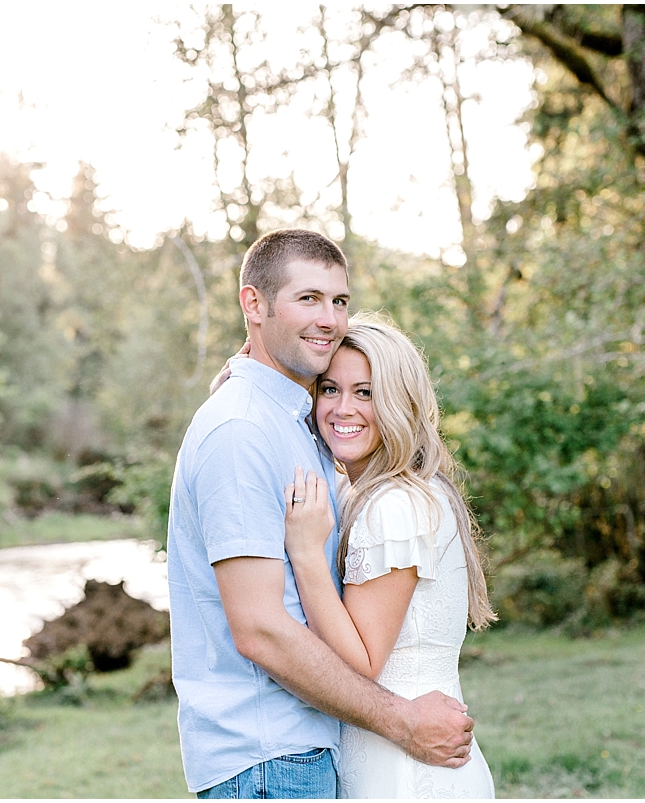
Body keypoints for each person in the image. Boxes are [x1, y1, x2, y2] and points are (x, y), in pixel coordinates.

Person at [166, 229, 475, 799]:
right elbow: (260, 628)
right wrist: (399, 720)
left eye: (339, 301)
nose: (329, 318)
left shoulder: (287, 420)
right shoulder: (242, 428)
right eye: (308, 298)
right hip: (270, 762)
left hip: (309, 753)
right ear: (252, 304)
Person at [281, 312, 497, 798]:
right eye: (330, 389)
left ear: (399, 402)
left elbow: (359, 664)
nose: (343, 408)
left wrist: (306, 554)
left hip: (405, 773)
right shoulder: (389, 491)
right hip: (398, 759)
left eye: (365, 392)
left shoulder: (395, 506)